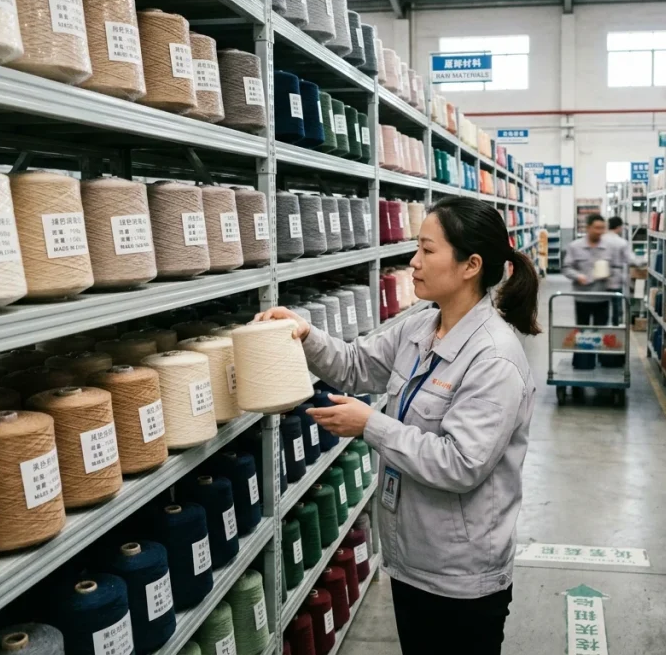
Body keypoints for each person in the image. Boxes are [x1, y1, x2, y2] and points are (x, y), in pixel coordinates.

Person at [256, 196, 539, 655]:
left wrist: (370, 424)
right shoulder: (419, 328)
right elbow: (354, 365)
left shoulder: (495, 359)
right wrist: (306, 333)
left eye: (428, 250)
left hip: (460, 578)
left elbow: (460, 463)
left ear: (470, 265)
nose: (414, 261)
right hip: (412, 559)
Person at [562, 213, 629, 368]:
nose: (600, 231)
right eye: (597, 228)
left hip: (602, 297)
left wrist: (612, 278)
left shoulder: (608, 247)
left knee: (601, 330)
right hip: (582, 297)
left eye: (602, 228)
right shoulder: (575, 246)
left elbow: (615, 267)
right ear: (588, 228)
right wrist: (578, 276)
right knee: (583, 331)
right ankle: (584, 362)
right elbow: (566, 268)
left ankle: (603, 360)